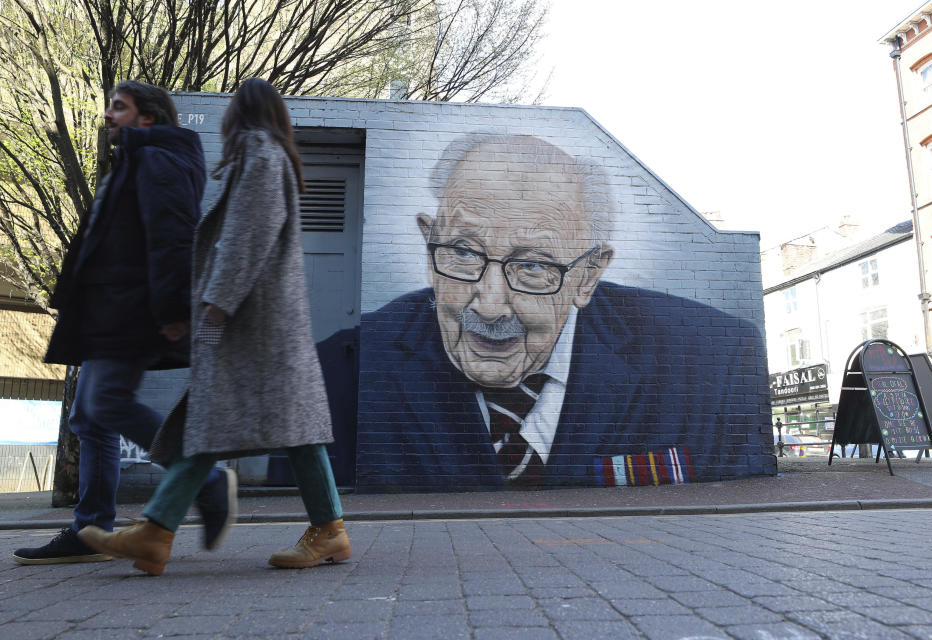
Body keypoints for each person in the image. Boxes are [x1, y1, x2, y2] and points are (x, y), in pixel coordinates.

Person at [331, 134, 770, 492]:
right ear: (430, 247)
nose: (489, 303)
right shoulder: (342, 368)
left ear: (587, 276)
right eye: (464, 253)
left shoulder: (717, 362)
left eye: (534, 265)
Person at [78, 78, 348, 576]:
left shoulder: (260, 154)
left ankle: (159, 531)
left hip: (253, 325)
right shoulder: (269, 154)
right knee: (242, 427)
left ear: (238, 116)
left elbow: (249, 235)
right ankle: (159, 534)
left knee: (221, 427)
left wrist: (216, 304)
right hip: (266, 326)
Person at [14, 81, 236, 565]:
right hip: (107, 309)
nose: (108, 115)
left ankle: (205, 477)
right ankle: (90, 528)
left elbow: (174, 237)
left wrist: (174, 309)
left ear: (147, 117)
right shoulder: (136, 159)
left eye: (119, 107)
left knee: (106, 403)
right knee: (89, 417)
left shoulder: (160, 160)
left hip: (130, 309)